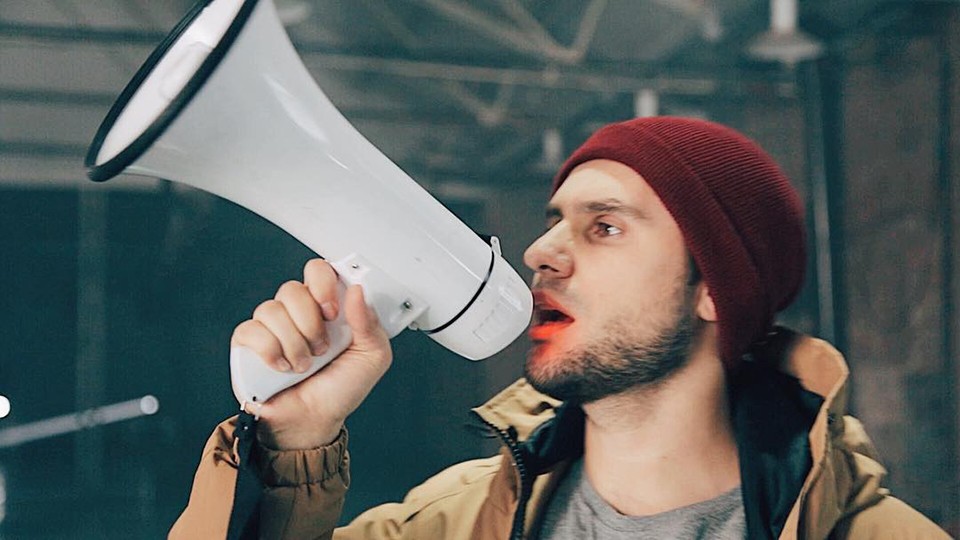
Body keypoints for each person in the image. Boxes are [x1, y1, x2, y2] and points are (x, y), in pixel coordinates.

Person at [169, 117, 950, 539]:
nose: (540, 252)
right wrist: (292, 442)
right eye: (553, 222)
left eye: (604, 227)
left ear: (714, 289)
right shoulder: (451, 523)